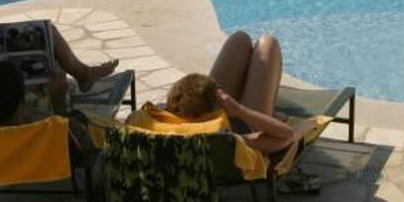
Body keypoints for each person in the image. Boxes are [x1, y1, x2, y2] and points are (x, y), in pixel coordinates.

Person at [133, 32, 313, 154]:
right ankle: (269, 112)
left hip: (197, 120)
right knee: (268, 44)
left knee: (240, 39)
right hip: (248, 125)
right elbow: (286, 135)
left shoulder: (147, 123)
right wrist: (241, 111)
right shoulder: (230, 141)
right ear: (217, 107)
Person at [0, 26, 118, 127]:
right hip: (40, 174)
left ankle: (84, 74)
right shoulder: (40, 127)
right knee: (50, 34)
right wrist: (59, 102)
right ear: (22, 101)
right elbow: (72, 135)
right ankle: (84, 75)